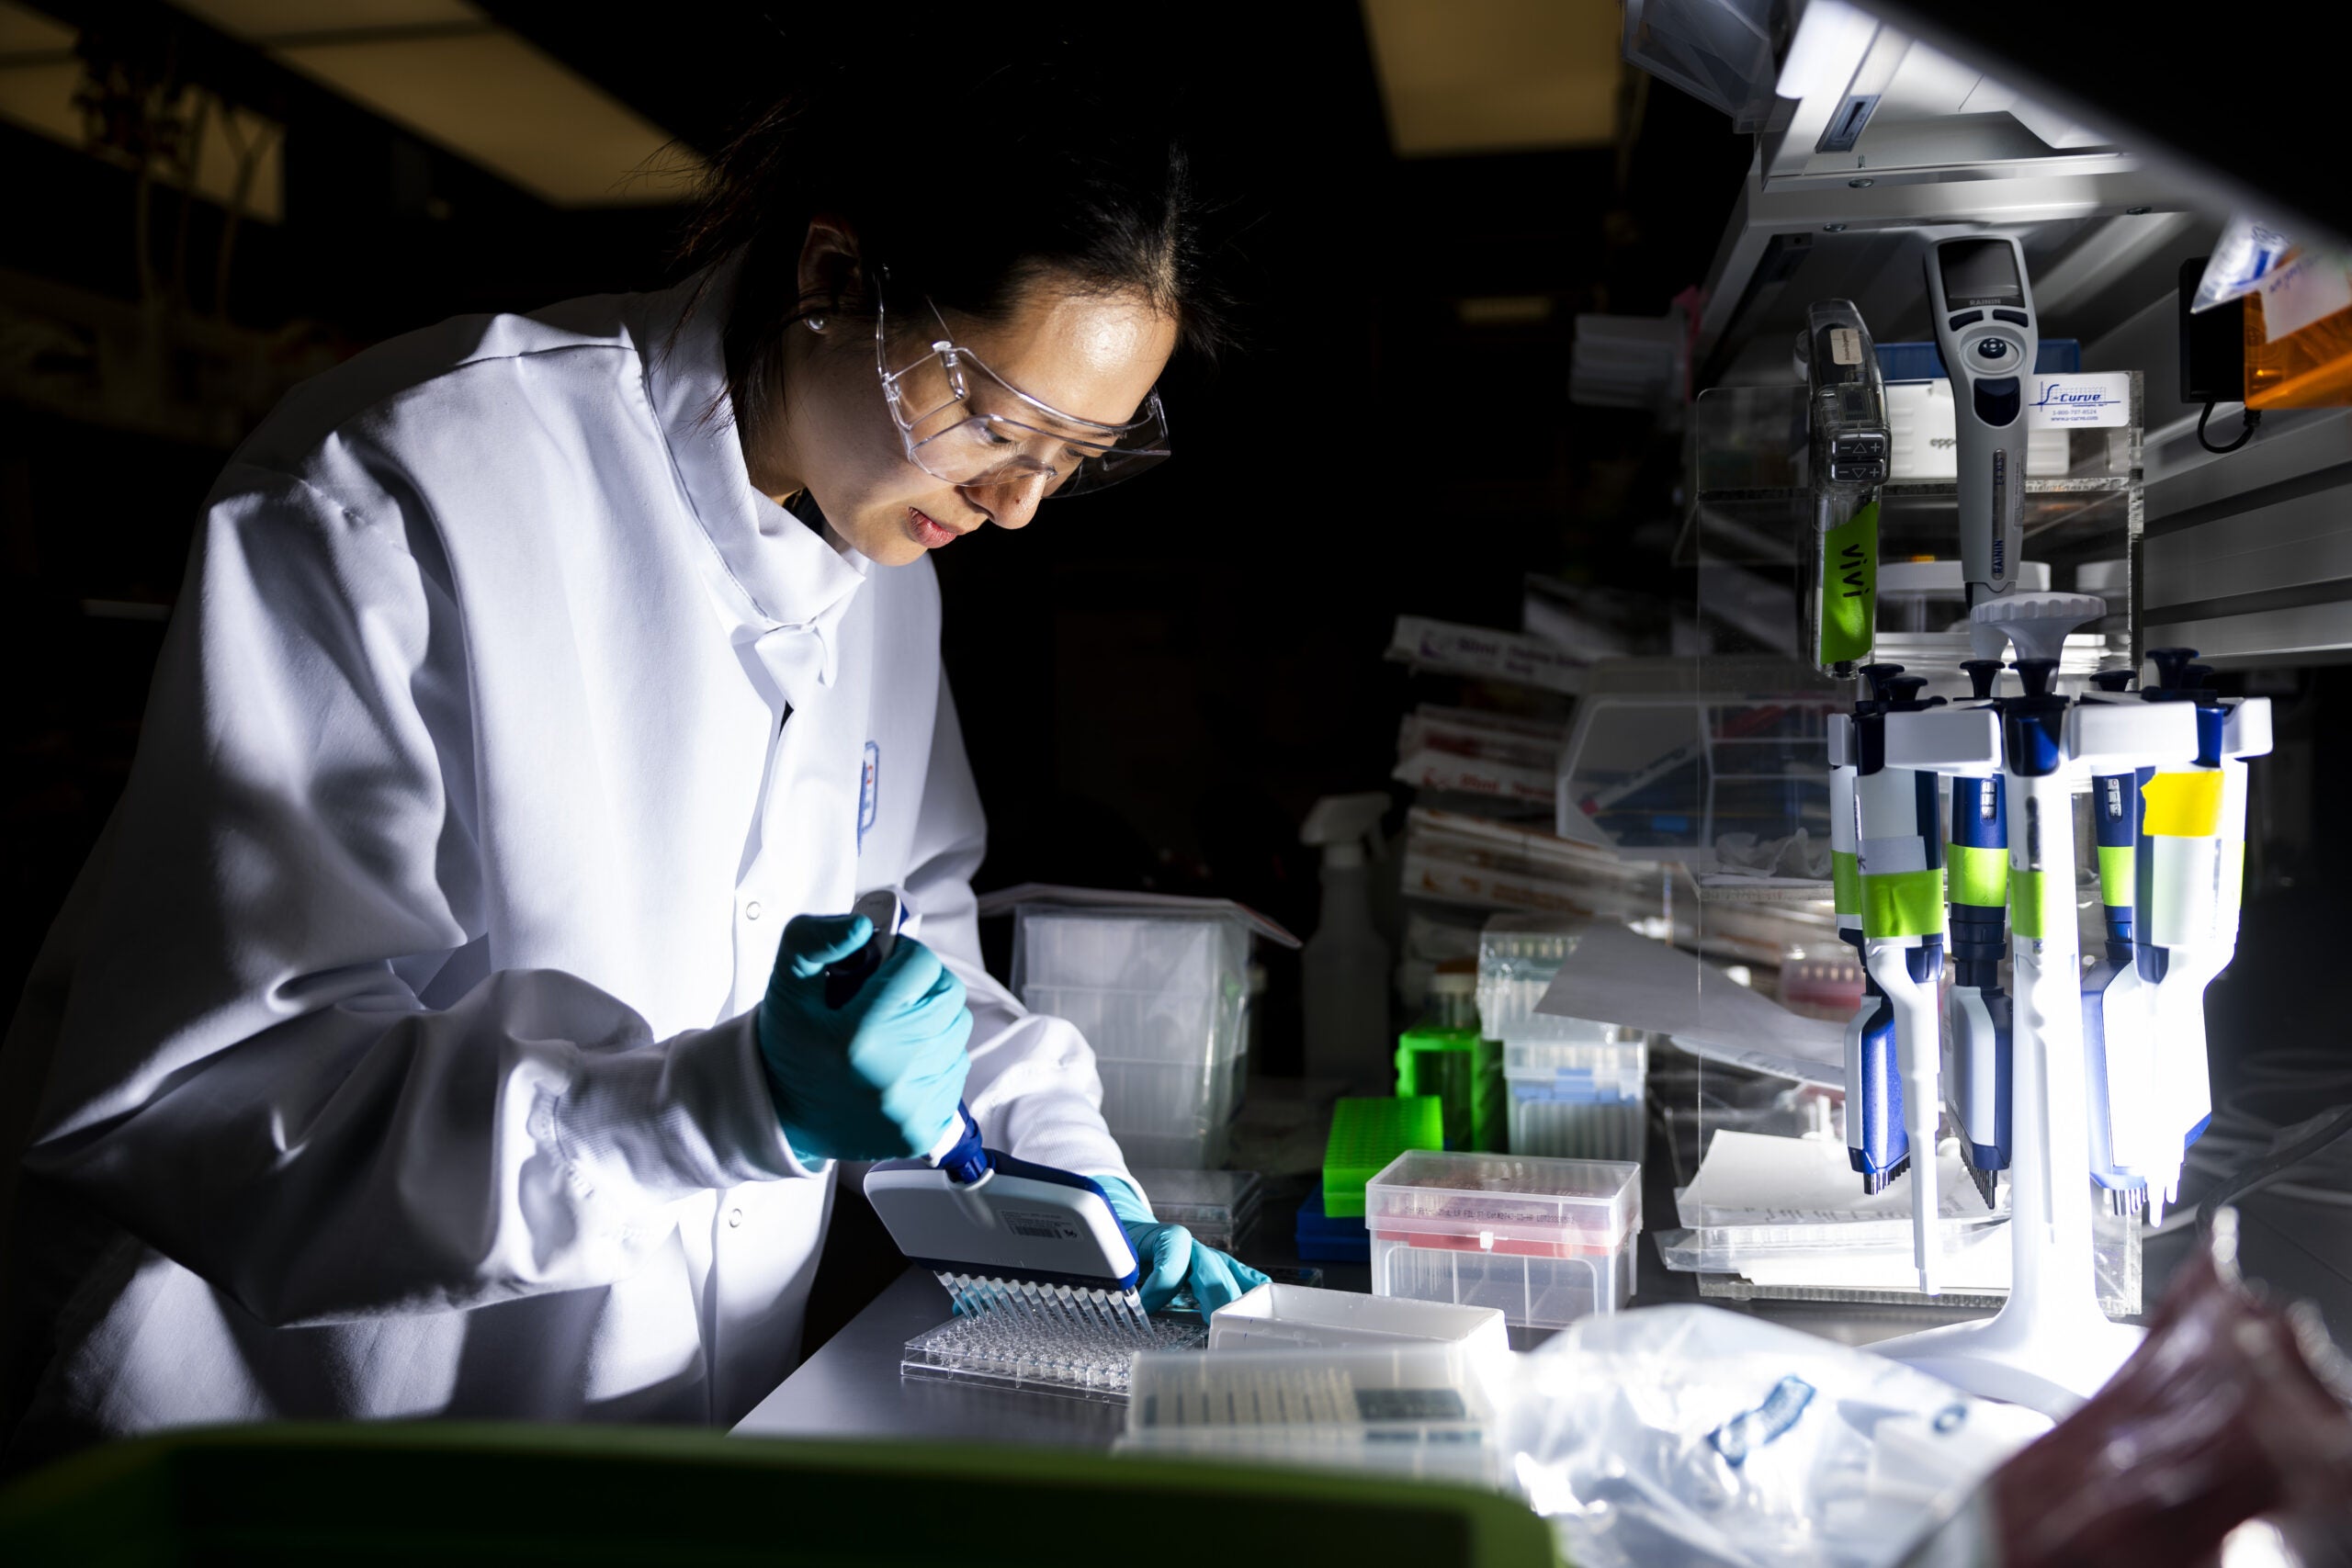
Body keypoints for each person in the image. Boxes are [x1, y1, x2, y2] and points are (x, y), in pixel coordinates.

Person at [0, 51, 1263, 1461]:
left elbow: (921, 974)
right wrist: (722, 1108)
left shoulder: (894, 570)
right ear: (836, 276)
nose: (1020, 507)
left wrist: (1082, 1199)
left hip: (656, 1443)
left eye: (1076, 456)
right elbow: (230, 1109)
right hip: (291, 1458)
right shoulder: (403, 485)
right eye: (994, 420)